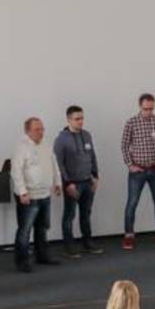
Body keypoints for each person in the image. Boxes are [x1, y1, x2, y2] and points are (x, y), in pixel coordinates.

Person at [121, 93, 155, 250]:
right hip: (137, 171)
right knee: (132, 202)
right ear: (140, 106)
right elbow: (124, 145)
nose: (149, 112)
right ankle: (129, 235)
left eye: (151, 109)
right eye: (146, 109)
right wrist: (130, 165)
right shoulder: (131, 123)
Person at [11, 117, 62, 272]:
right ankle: (22, 261)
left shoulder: (46, 144)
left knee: (42, 228)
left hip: (45, 194)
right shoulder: (21, 147)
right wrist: (22, 192)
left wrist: (58, 182)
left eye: (42, 129)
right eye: (37, 129)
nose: (41, 132)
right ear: (27, 131)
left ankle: (42, 256)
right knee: (25, 230)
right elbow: (16, 171)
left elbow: (54, 163)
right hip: (29, 196)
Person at [53, 105, 102, 258]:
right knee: (69, 215)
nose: (80, 121)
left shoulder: (86, 135)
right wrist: (67, 183)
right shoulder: (61, 139)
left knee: (86, 214)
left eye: (82, 118)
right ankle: (69, 246)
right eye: (77, 119)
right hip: (72, 184)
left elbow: (92, 156)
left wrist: (95, 176)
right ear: (69, 120)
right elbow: (58, 164)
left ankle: (88, 243)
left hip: (88, 182)